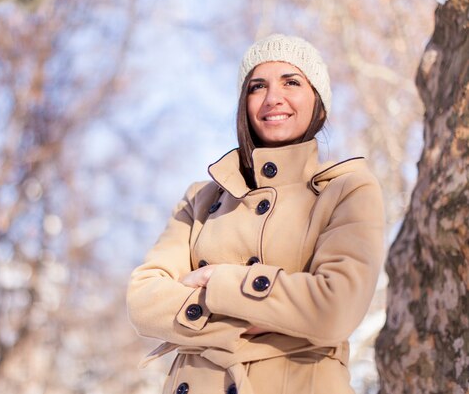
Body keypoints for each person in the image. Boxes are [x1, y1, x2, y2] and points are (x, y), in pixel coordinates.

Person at [126, 33, 385, 394]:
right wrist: (262, 319)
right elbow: (143, 300)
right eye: (257, 86)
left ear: (319, 104)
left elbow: (334, 307)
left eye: (291, 82)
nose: (272, 98)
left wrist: (218, 282)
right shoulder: (201, 199)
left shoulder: (348, 189)